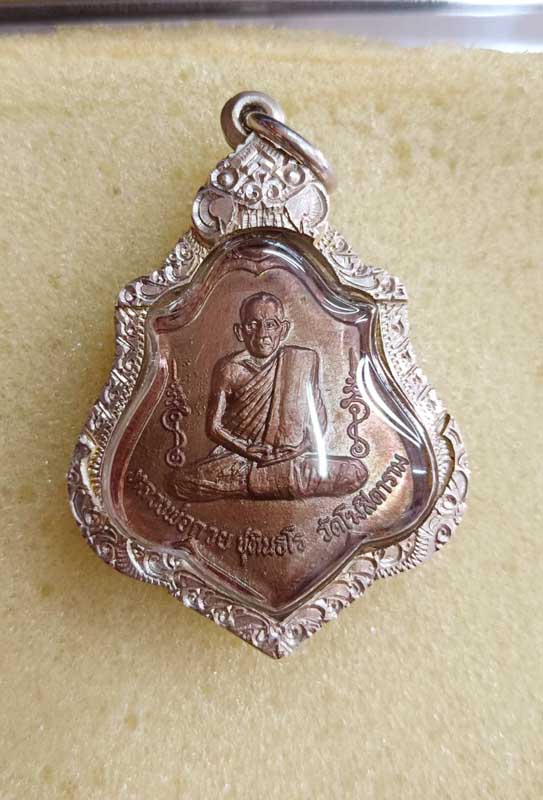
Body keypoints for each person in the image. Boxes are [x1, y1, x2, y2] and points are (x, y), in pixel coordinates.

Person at [169, 292, 367, 501]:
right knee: (180, 482)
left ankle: (260, 481)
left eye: (271, 325)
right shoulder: (229, 369)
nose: (262, 334)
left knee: (356, 471)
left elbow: (317, 423)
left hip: (291, 456)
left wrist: (297, 449)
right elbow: (214, 428)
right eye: (253, 325)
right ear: (240, 332)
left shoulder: (303, 360)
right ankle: (280, 480)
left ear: (284, 330)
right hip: (240, 457)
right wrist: (247, 449)